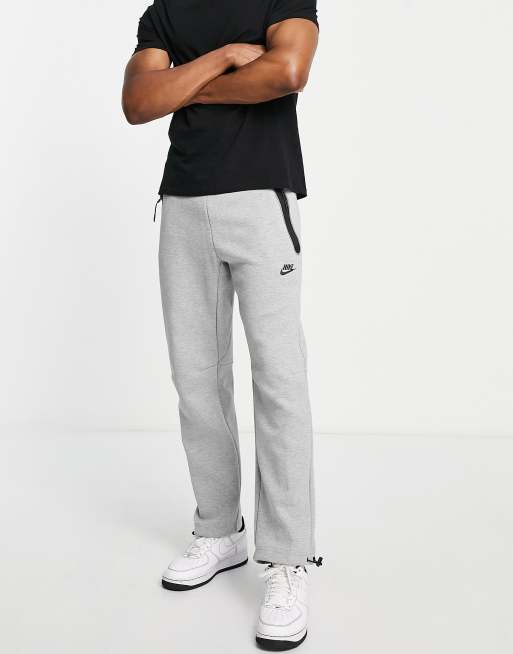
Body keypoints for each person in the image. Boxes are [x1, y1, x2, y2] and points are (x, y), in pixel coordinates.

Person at [122, 1, 320, 649]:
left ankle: (287, 557)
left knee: (278, 380)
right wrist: (225, 58)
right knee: (196, 380)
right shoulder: (164, 12)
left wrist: (183, 84)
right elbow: (139, 103)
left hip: (260, 198)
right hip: (182, 200)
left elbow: (287, 72)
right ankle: (219, 531)